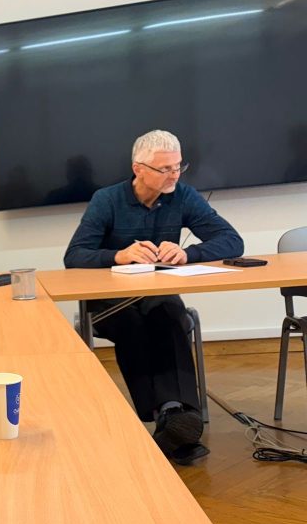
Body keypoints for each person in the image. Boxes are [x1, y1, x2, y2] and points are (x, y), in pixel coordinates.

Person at [64, 129, 244, 464]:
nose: (174, 175)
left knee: (169, 315)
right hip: (110, 301)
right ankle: (167, 417)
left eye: (178, 166)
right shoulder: (107, 199)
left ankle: (175, 414)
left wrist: (188, 253)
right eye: (165, 169)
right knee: (132, 324)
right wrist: (118, 256)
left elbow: (232, 242)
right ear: (139, 169)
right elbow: (74, 256)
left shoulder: (183, 196)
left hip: (157, 293)